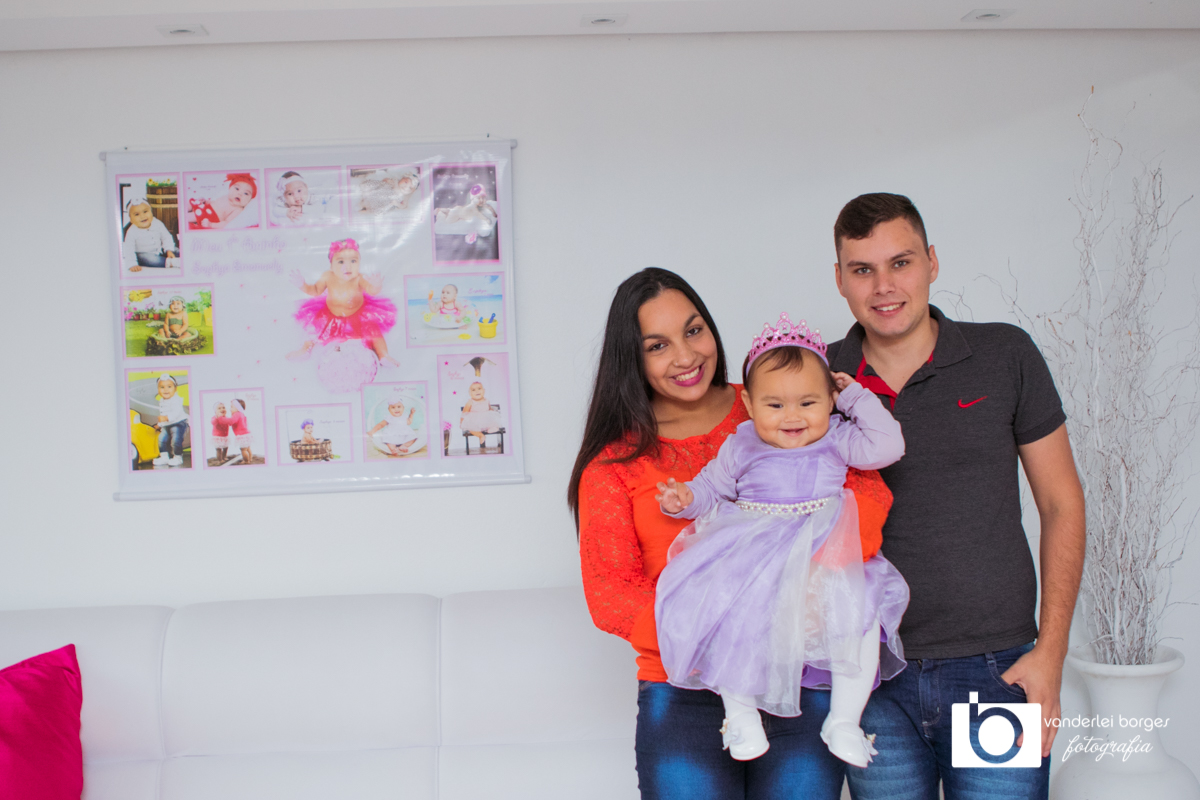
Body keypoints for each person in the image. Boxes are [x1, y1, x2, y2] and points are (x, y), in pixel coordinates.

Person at [569, 268, 897, 800]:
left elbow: (868, 499)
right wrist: (714, 632)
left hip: (798, 673)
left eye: (694, 330)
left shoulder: (780, 402)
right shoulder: (615, 465)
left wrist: (807, 593)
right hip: (681, 690)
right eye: (657, 345)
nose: (685, 355)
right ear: (632, 360)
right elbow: (610, 594)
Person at [825, 194, 1086, 800]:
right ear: (839, 279)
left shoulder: (1004, 354)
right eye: (862, 269)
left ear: (932, 262)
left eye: (901, 262)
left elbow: (1061, 505)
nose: (884, 286)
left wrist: (1051, 653)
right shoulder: (817, 377)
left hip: (999, 669)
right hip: (868, 676)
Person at [654, 314, 909, 767]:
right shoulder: (742, 444)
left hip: (823, 548)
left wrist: (854, 395)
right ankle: (739, 715)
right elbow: (711, 488)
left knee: (861, 616)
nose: (792, 417)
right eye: (774, 405)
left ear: (829, 401)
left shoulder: (836, 438)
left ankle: (844, 720)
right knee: (730, 614)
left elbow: (889, 446)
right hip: (755, 548)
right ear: (749, 404)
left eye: (808, 402)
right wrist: (684, 498)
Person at [289, 238, 398, 365]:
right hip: (330, 315)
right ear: (331, 266)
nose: (348, 266)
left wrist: (376, 285)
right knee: (314, 326)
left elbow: (371, 290)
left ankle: (383, 355)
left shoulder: (359, 278)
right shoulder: (327, 276)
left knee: (374, 330)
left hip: (357, 315)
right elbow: (316, 290)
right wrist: (302, 285)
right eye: (341, 262)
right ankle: (305, 349)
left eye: (353, 261)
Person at [122, 197, 177, 271]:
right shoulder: (131, 231)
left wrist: (169, 250)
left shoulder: (157, 223)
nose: (142, 216)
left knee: (176, 250)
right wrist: (132, 264)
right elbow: (129, 249)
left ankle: (185, 256)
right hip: (144, 254)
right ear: (131, 219)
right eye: (137, 214)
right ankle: (172, 263)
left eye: (145, 212)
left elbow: (166, 237)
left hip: (159, 250)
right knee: (151, 259)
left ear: (151, 212)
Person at [188, 173, 257, 230]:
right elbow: (214, 203)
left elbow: (226, 223)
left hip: (210, 216)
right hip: (206, 207)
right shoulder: (226, 196)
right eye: (237, 188)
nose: (240, 193)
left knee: (193, 215)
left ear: (250, 200)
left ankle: (185, 218)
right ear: (230, 188)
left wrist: (211, 225)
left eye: (246, 193)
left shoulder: (238, 209)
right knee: (190, 203)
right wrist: (205, 201)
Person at [152, 373, 188, 468]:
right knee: (161, 439)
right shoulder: (162, 401)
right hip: (167, 424)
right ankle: (164, 457)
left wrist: (166, 418)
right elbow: (163, 414)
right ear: (158, 390)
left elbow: (177, 412)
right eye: (162, 387)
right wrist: (160, 424)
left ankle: (178, 457)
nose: (166, 389)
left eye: (169, 387)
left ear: (175, 389)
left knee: (175, 440)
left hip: (178, 423)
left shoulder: (176, 399)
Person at [460, 381, 502, 447]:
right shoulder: (470, 402)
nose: (477, 391)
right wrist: (461, 422)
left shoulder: (487, 400)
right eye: (473, 390)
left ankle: (492, 428)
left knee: (493, 423)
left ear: (484, 391)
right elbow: (464, 413)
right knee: (471, 429)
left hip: (485, 420)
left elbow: (489, 409)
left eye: (479, 389)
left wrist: (493, 414)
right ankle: (480, 435)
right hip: (474, 422)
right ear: (470, 393)